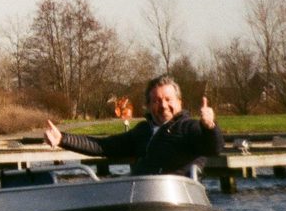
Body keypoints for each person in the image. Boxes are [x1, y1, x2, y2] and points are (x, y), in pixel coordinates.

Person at [43, 74, 223, 176]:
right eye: (157, 101)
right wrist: (63, 139)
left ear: (179, 102)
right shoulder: (142, 131)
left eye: (168, 100)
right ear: (149, 105)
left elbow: (214, 147)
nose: (163, 105)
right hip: (140, 195)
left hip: (177, 196)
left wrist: (209, 126)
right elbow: (103, 146)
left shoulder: (189, 128)